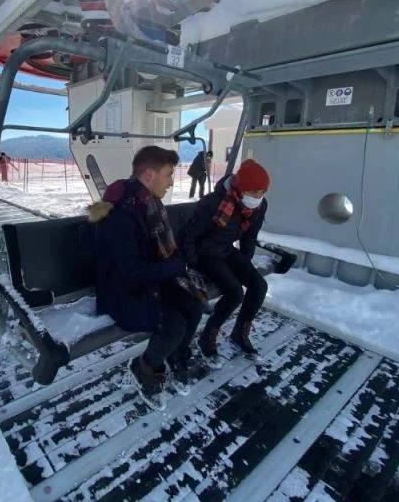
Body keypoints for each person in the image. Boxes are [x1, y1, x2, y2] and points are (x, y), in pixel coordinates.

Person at [89, 146, 206, 410]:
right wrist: (176, 266)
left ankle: (175, 355)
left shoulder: (148, 202)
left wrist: (177, 264)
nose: (172, 181)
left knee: (194, 304)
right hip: (122, 293)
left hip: (147, 283)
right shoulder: (120, 214)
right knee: (173, 324)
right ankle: (146, 368)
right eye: (168, 174)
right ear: (150, 175)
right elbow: (130, 272)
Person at [177, 159, 273, 365]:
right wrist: (194, 264)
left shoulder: (258, 206)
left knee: (259, 285)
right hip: (205, 255)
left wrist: (244, 265)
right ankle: (209, 334)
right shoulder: (213, 203)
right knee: (235, 292)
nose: (258, 198)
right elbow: (188, 237)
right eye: (254, 192)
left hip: (226, 250)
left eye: (262, 193)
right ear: (240, 188)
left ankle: (240, 332)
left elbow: (249, 237)